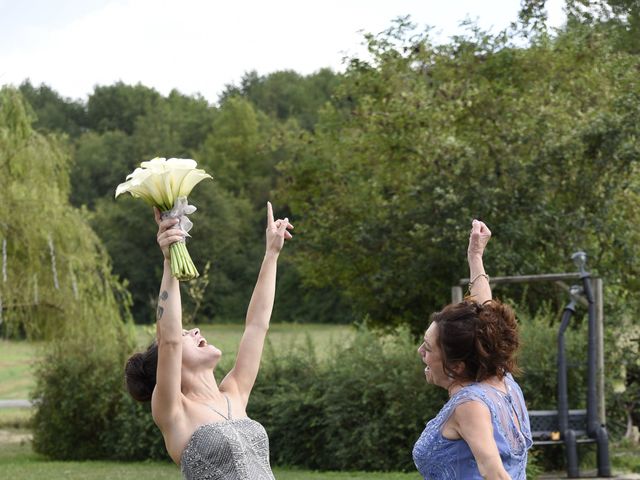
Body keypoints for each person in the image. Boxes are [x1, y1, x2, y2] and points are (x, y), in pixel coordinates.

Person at [125, 201, 292, 480]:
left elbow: (256, 326)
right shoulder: (173, 410)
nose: (196, 331)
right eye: (186, 333)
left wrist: (271, 254)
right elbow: (168, 341)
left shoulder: (234, 392)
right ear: (171, 364)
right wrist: (169, 262)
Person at [413, 220, 532, 480]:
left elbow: (495, 474)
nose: (420, 351)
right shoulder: (499, 377)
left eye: (429, 347)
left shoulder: (470, 405)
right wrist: (475, 256)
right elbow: (485, 319)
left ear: (457, 365)